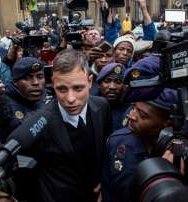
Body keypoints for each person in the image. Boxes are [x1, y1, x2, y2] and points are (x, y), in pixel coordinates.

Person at [8, 49, 112, 202]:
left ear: (90, 82)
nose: (70, 99)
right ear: (53, 84)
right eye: (62, 89)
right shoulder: (37, 123)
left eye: (78, 88)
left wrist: (106, 182)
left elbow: (107, 151)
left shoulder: (102, 107)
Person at [101, 88, 178, 202]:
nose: (131, 115)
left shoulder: (178, 149)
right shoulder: (120, 141)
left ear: (167, 123)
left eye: (142, 115)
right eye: (134, 108)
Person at [0, 57, 46, 142]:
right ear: (15, 82)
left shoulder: (46, 100)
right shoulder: (4, 107)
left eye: (40, 77)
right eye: (28, 78)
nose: (36, 82)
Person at [96, 63, 130, 131]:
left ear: (125, 86)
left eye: (118, 82)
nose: (112, 87)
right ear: (99, 85)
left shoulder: (130, 111)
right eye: (107, 81)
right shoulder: (89, 106)